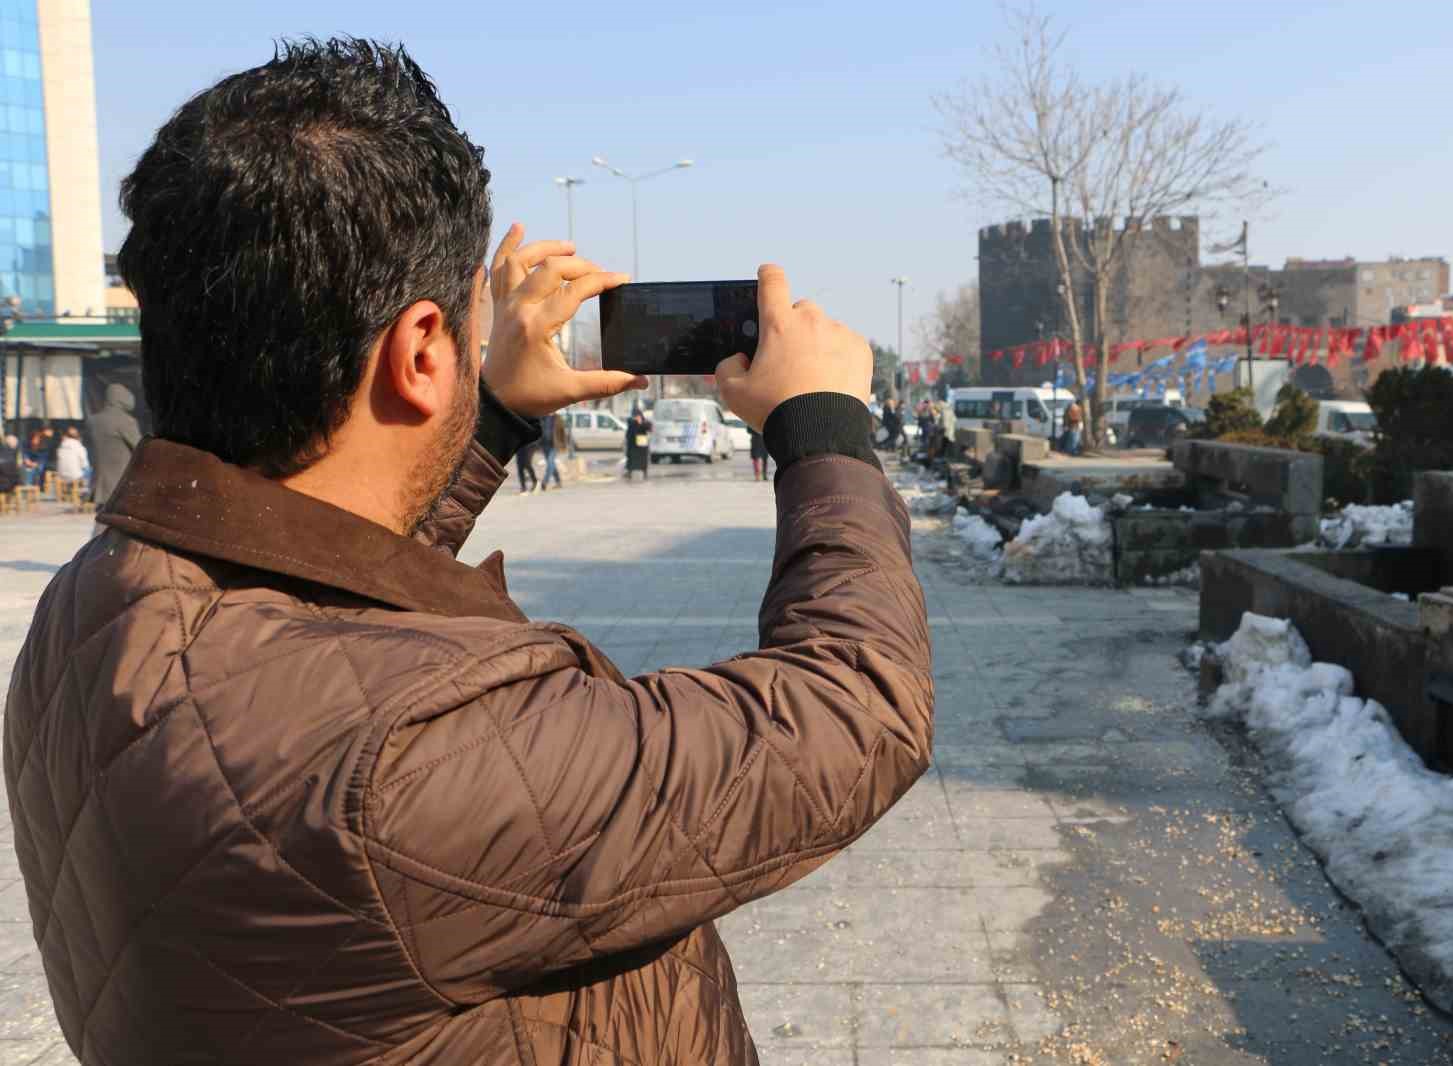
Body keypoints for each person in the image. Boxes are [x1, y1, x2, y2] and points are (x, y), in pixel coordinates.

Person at [2, 41, 932, 1065]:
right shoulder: (403, 765)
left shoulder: (101, 602)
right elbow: (852, 712)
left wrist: (483, 413)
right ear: (417, 351)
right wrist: (823, 429)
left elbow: (326, 610)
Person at [85, 382, 141, 507]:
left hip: (99, 481)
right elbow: (140, 448)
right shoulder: (126, 421)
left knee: (103, 519)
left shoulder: (94, 421)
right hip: (121, 481)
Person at [54, 425, 88, 492]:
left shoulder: (61, 445)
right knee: (89, 469)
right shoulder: (78, 445)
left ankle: (70, 489)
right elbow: (84, 463)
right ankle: (85, 491)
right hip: (75, 476)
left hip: (61, 475)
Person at [625, 401, 652, 480]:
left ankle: (644, 472)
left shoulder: (644, 422)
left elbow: (649, 428)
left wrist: (641, 423)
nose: (637, 417)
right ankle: (629, 471)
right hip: (633, 444)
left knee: (643, 459)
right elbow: (629, 430)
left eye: (638, 415)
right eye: (635, 415)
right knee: (631, 458)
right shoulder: (631, 421)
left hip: (641, 444)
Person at [538, 411, 565, 490]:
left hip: (554, 445)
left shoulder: (558, 418)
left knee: (550, 463)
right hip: (545, 445)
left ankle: (545, 482)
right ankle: (558, 482)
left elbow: (562, 431)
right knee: (552, 464)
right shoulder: (543, 417)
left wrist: (563, 444)